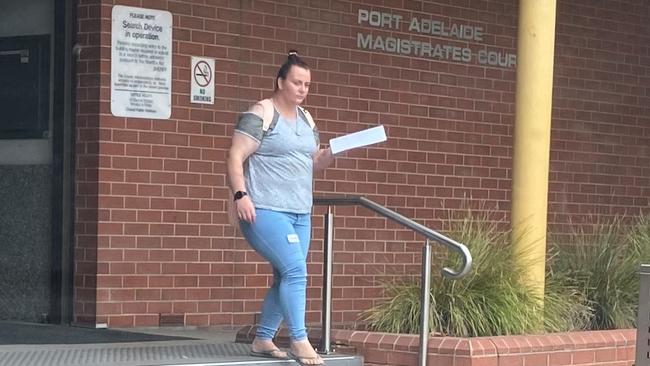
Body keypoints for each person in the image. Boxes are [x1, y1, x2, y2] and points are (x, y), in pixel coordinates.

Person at [226, 50, 334, 366]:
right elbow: (235, 156)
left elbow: (310, 162)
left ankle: (263, 338)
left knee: (284, 275)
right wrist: (240, 195)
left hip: (301, 211)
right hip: (265, 209)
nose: (302, 89)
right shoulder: (262, 112)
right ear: (280, 82)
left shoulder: (307, 118)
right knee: (296, 271)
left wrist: (329, 157)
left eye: (307, 85)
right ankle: (299, 340)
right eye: (297, 83)